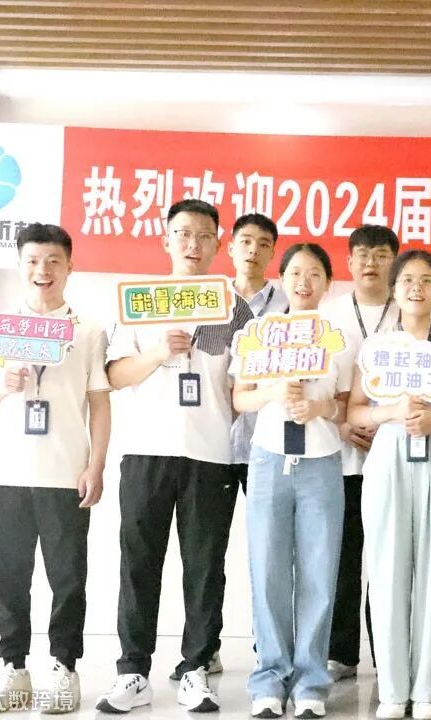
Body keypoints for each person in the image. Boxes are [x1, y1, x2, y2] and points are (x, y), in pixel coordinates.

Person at [97, 199, 253, 714]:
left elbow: (243, 386)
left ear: (217, 244)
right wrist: (160, 352)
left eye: (204, 235)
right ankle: (132, 671)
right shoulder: (139, 300)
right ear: (166, 240)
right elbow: (115, 375)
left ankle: (195, 669)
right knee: (138, 563)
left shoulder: (234, 307)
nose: (193, 244)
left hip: (211, 455)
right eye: (183, 233)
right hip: (146, 452)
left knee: (205, 567)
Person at [0, 223, 111, 714]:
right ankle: (13, 669)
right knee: (7, 579)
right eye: (32, 260)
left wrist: (96, 465)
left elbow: (99, 403)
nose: (42, 270)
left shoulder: (87, 330)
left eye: (53, 261)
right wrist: (1, 386)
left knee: (68, 580)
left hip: (64, 476)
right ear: (19, 265)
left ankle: (65, 668)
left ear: (70, 266)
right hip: (4, 476)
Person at [346, 250, 431, 720]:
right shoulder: (377, 346)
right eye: (407, 280)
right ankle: (392, 690)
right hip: (388, 455)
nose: (416, 288)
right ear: (394, 288)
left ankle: (426, 691)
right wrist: (393, 412)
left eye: (426, 280)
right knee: (386, 568)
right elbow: (355, 411)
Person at [233, 243, 350, 719]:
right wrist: (271, 392)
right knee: (268, 573)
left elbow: (346, 405)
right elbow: (240, 398)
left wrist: (318, 406)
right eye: (296, 273)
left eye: (315, 273)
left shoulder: (337, 337)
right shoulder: (258, 332)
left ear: (328, 283)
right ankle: (269, 678)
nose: (304, 282)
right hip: (268, 459)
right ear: (281, 279)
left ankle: (311, 682)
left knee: (319, 574)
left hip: (321, 463)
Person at [320, 225, 400, 681]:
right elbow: (315, 383)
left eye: (381, 254)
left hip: (393, 458)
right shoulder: (328, 315)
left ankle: (387, 654)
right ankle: (341, 653)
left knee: (389, 560)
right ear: (349, 262)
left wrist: (379, 422)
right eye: (363, 254)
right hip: (339, 457)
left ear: (394, 261)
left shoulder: (411, 311)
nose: (371, 263)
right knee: (344, 557)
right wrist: (344, 423)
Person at [229, 213, 289, 494]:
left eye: (263, 244)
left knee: (266, 521)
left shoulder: (287, 308)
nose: (253, 250)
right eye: (246, 241)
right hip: (214, 440)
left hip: (267, 441)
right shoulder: (210, 302)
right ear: (231, 248)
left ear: (272, 254)